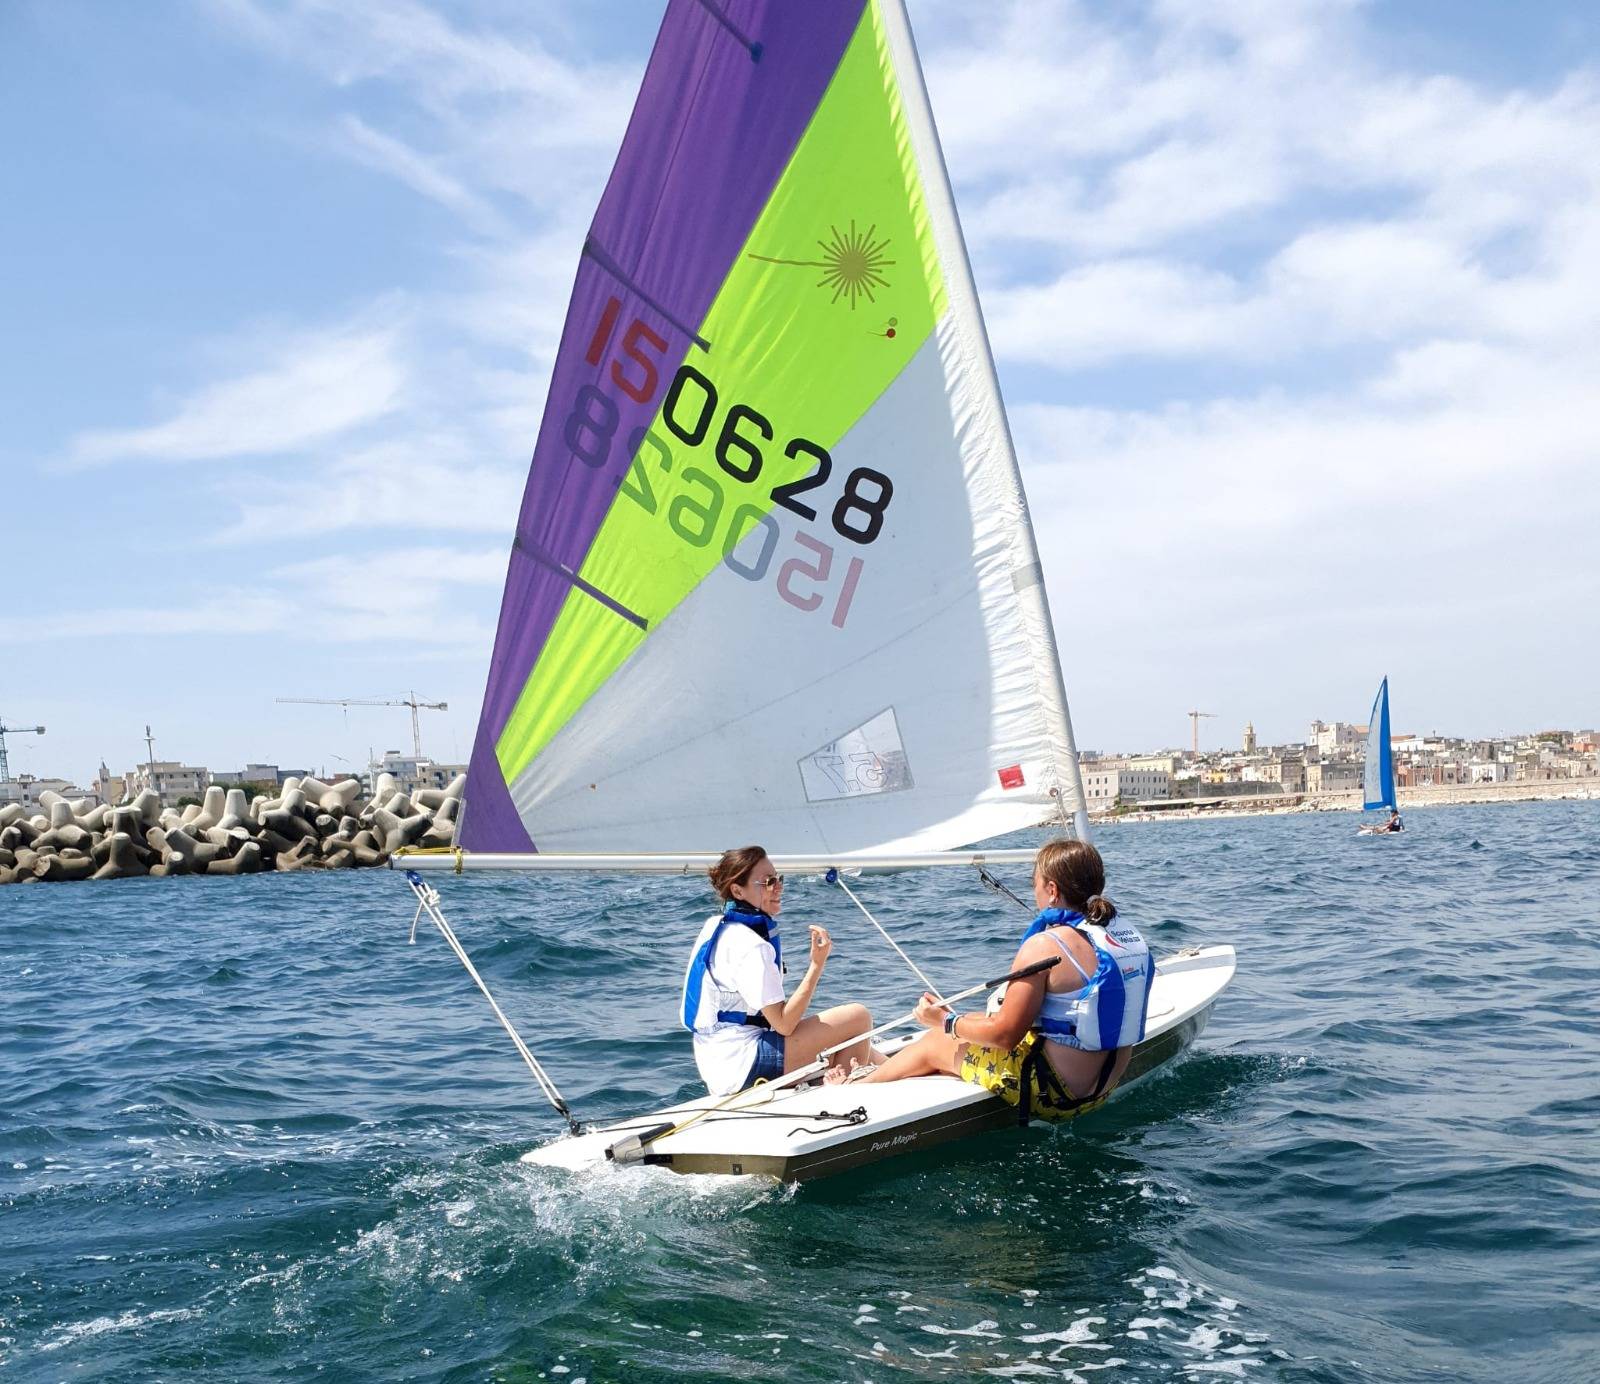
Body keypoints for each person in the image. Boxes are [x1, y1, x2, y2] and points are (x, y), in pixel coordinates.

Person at [838, 839, 1154, 1125]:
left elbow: (1005, 1036)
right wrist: (958, 1021)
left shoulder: (1045, 946)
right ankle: (882, 1070)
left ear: (1052, 890)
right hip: (1102, 1089)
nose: (1034, 891)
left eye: (1034, 883)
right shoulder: (1120, 938)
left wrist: (944, 1022)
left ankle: (853, 1088)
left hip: (1054, 1095)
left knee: (936, 1041)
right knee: (975, 1020)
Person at [681, 845, 880, 1097]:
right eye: (768, 882)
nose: (778, 887)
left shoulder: (716, 926)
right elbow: (784, 1024)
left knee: (859, 1044)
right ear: (737, 890)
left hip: (717, 1065)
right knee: (858, 1018)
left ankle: (902, 1069)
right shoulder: (751, 945)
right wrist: (816, 965)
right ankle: (844, 1098)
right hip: (743, 1064)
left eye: (778, 879)